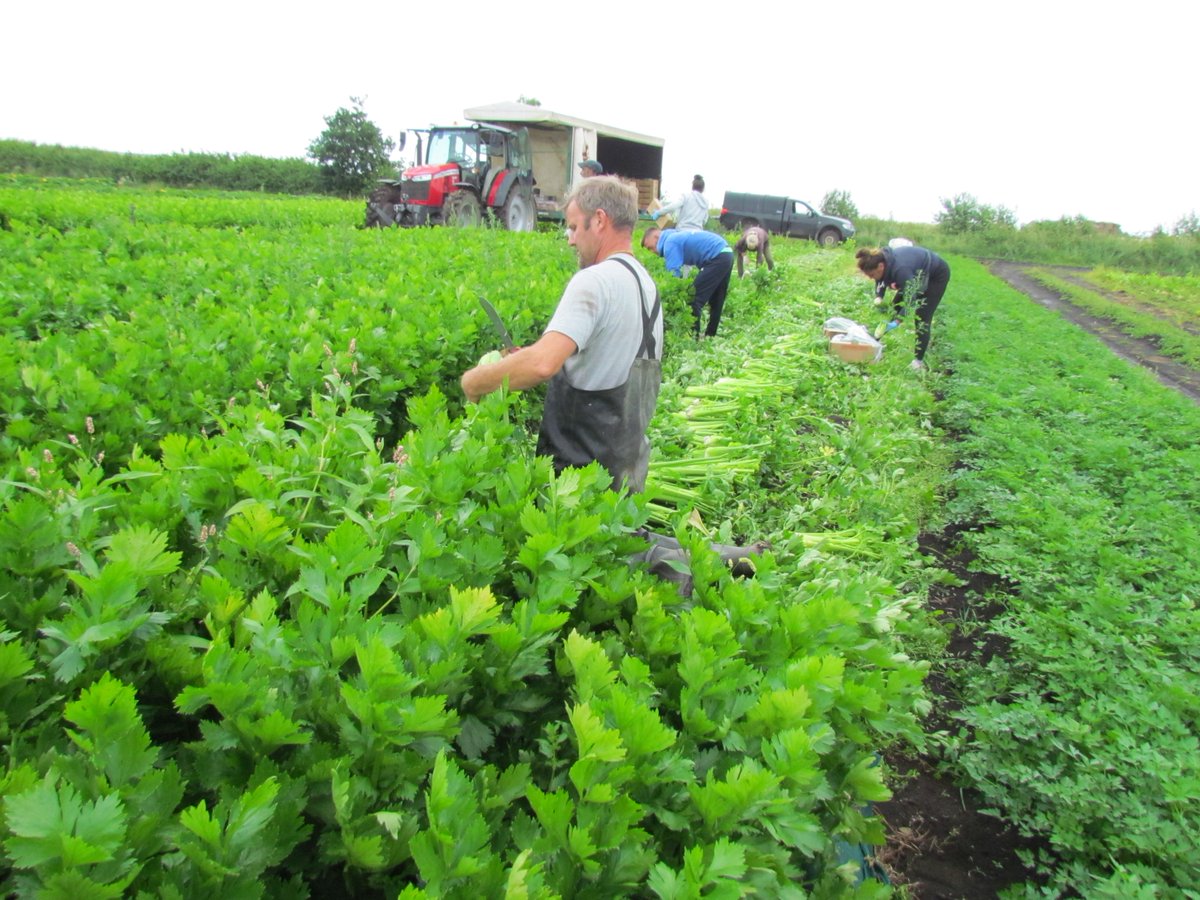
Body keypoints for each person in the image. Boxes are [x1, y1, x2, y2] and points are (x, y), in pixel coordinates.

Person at [461, 175, 661, 493]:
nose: (569, 239)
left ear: (598, 220)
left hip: (578, 482)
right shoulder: (645, 283)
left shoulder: (593, 280)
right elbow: (605, 359)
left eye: (572, 227)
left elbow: (542, 364)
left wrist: (475, 381)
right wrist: (531, 354)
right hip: (624, 476)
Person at [856, 244, 951, 370]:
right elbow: (880, 280)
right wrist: (879, 296)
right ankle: (875, 341)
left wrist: (898, 320)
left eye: (872, 275)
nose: (871, 278)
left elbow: (911, 299)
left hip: (936, 275)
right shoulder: (881, 260)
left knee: (922, 316)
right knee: (894, 308)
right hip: (915, 274)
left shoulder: (901, 269)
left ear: (880, 266)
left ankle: (918, 361)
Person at [642, 226, 735, 337]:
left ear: (656, 237)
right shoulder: (675, 236)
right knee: (717, 299)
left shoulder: (670, 242)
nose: (653, 252)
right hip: (726, 253)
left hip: (717, 257)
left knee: (693, 299)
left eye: (650, 248)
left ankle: (693, 338)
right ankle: (710, 335)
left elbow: (673, 276)